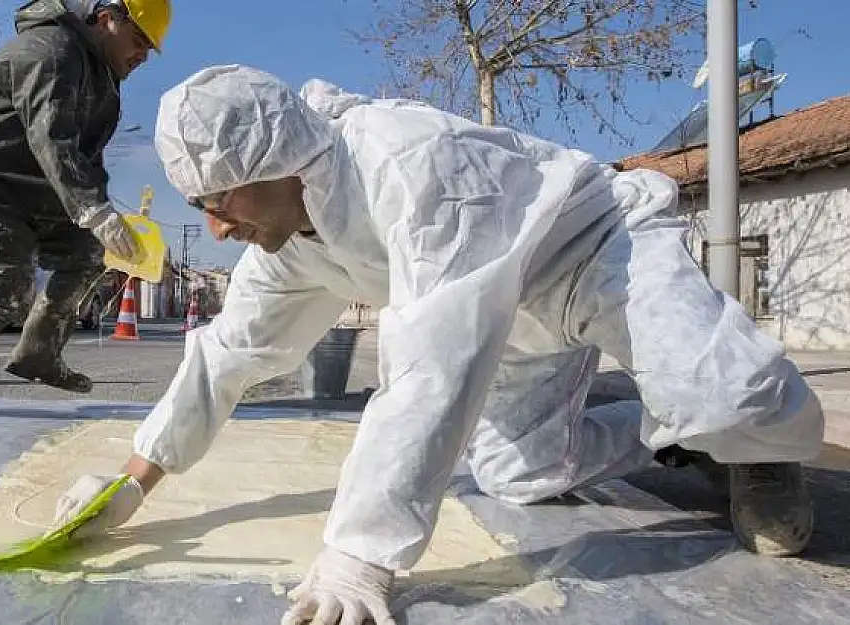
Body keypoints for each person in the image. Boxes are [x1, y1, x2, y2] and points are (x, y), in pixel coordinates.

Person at [51, 65, 824, 625]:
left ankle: (753, 447)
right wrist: (131, 482)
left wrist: (360, 553)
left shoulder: (407, 166)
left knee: (726, 393)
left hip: (593, 256)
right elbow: (227, 354)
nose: (216, 228)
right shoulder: (289, 239)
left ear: (275, 161)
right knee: (524, 474)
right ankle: (668, 437)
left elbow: (431, 370)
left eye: (219, 201)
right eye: (201, 206)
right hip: (515, 327)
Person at [0, 0, 172, 426]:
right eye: (139, 40)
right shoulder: (50, 50)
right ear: (108, 19)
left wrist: (102, 215)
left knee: (88, 251)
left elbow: (87, 160)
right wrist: (91, 209)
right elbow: (52, 139)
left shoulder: (103, 84)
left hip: (34, 188)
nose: (142, 55)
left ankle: (39, 353)